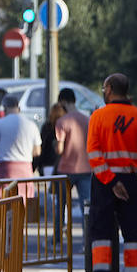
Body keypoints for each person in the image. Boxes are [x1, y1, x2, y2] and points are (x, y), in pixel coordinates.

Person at [84, 72, 137, 272]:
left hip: (105, 182)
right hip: (131, 181)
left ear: (110, 89)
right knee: (132, 236)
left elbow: (94, 154)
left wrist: (112, 182)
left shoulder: (98, 116)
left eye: (104, 88)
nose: (103, 92)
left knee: (101, 236)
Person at [0, 93, 40, 200]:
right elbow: (37, 151)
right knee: (24, 204)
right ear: (19, 108)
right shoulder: (31, 124)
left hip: (6, 169)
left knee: (5, 204)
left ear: (4, 108)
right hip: (26, 169)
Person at [54, 87, 92, 225]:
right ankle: (86, 243)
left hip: (66, 169)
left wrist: (54, 146)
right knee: (86, 208)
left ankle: (57, 241)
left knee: (60, 206)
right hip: (86, 168)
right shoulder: (87, 120)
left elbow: (60, 149)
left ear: (63, 101)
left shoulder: (62, 122)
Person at [35, 102, 65, 176]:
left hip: (47, 165)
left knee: (49, 187)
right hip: (63, 166)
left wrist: (38, 165)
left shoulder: (47, 127)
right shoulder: (64, 127)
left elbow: (42, 147)